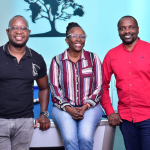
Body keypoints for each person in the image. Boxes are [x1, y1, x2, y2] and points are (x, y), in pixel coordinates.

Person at [49, 22, 104, 150]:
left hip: (90, 107)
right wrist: (69, 109)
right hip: (63, 108)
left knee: (85, 137)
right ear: (67, 39)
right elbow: (55, 90)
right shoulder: (57, 61)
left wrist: (85, 107)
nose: (79, 39)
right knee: (69, 139)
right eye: (74, 35)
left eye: (82, 36)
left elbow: (99, 87)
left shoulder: (93, 58)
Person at [0, 15, 50, 150]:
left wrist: (43, 114)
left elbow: (44, 88)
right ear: (7, 31)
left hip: (25, 122)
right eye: (14, 28)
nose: (18, 31)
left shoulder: (37, 58)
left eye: (23, 28)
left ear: (28, 32)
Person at [101, 15, 150, 150]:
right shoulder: (111, 55)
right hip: (126, 119)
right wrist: (110, 111)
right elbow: (102, 86)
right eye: (122, 28)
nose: (127, 31)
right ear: (118, 31)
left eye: (131, 27)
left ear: (138, 29)